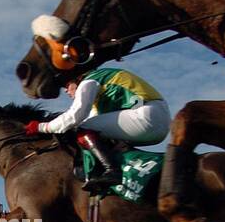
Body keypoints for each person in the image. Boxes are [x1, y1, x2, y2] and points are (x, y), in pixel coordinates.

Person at [19, 58, 171, 191]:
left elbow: (75, 117)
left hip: (148, 116)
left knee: (84, 128)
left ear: (77, 78)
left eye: (67, 85)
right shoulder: (100, 88)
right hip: (156, 120)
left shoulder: (90, 81)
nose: (66, 90)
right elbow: (86, 123)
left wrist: (41, 127)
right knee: (91, 132)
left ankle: (112, 171)